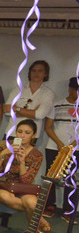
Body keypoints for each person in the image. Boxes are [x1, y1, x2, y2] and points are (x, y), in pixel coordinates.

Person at [0, 119, 47, 233]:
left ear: (34, 135)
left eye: (27, 133)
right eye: (20, 132)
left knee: (32, 202)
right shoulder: (4, 145)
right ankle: (39, 220)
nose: (22, 136)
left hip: (20, 187)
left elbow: (26, 182)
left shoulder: (37, 155)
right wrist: (3, 154)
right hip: (0, 184)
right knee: (7, 197)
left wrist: (22, 162)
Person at [43, 76, 78, 218]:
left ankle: (68, 210)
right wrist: (59, 143)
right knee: (51, 176)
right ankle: (49, 205)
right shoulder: (57, 104)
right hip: (54, 146)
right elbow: (48, 127)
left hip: (75, 148)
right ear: (70, 89)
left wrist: (73, 145)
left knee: (71, 178)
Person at [3, 60, 56, 140]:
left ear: (45, 74)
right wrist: (33, 112)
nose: (36, 73)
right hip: (12, 132)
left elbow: (40, 115)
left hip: (31, 135)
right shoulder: (18, 90)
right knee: (4, 149)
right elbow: (7, 111)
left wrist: (16, 109)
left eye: (40, 71)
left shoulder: (48, 93)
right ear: (29, 73)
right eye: (33, 70)